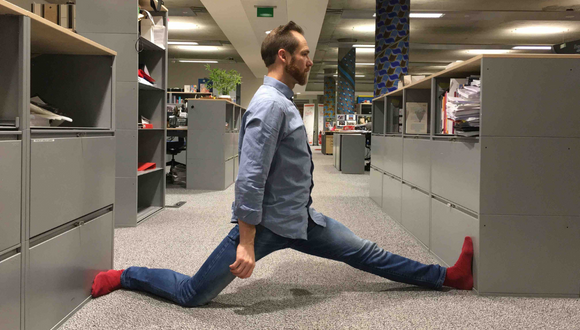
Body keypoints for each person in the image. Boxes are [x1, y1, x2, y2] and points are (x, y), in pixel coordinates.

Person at [92, 21, 473, 306]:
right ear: (284, 56)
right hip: (265, 226)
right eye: (305, 53)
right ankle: (126, 276)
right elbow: (250, 178)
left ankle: (448, 277)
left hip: (301, 221)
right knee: (194, 294)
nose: (310, 60)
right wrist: (246, 242)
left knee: (367, 252)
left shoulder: (283, 100)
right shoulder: (269, 106)